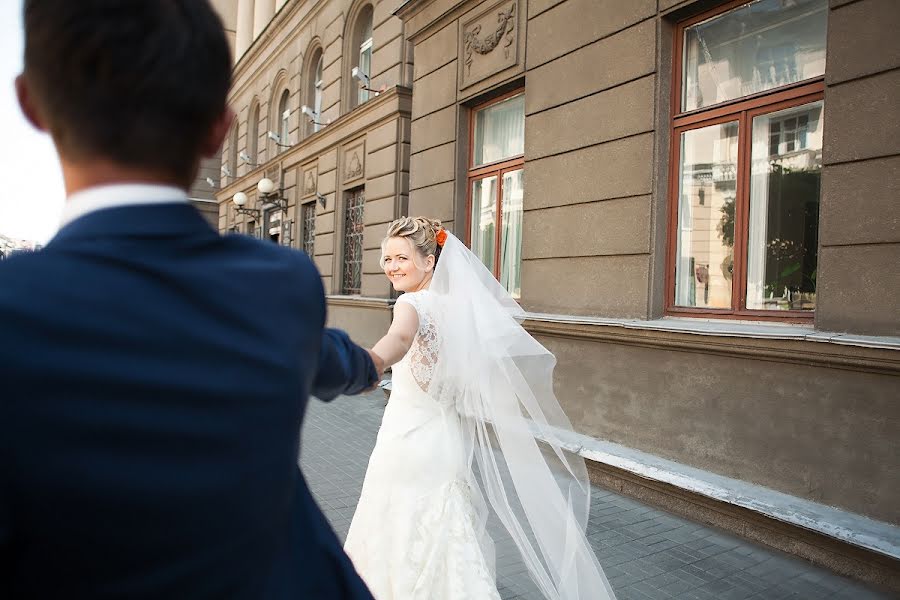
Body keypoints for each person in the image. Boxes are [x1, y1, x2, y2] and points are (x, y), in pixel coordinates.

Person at [0, 2, 379, 598]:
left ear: (32, 105)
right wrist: (376, 363)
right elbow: (331, 359)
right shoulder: (281, 284)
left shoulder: (15, 308)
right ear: (219, 130)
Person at [344, 217, 618, 600]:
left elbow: (401, 336)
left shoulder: (409, 303)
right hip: (446, 439)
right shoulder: (457, 308)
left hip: (407, 443)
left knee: (396, 523)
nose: (391, 266)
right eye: (387, 258)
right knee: (446, 527)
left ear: (429, 261)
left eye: (401, 257)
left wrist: (373, 360)